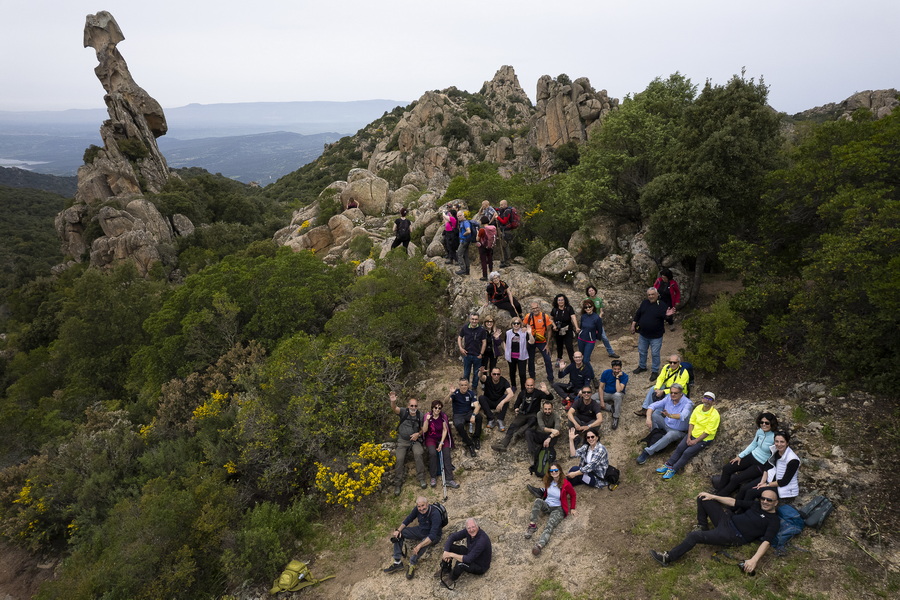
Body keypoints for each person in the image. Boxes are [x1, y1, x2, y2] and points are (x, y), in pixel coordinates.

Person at [650, 490, 781, 572]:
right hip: (727, 520)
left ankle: (668, 558)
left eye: (769, 500)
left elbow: (767, 542)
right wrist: (713, 496)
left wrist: (754, 560)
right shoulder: (756, 505)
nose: (764, 501)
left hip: (733, 535)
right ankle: (703, 526)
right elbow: (734, 502)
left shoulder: (774, 521)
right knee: (703, 498)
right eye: (763, 498)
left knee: (694, 536)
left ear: (776, 503)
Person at [656, 392, 720, 481]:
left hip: (704, 439)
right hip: (692, 434)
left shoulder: (715, 415)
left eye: (710, 399)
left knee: (687, 452)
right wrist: (689, 437)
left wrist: (695, 441)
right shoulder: (698, 408)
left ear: (713, 402)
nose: (707, 400)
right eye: (706, 397)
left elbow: (707, 432)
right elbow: (692, 422)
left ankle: (673, 469)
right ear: (702, 399)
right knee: (680, 447)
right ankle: (668, 464)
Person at [713, 413, 778, 496]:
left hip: (761, 464)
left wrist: (766, 470)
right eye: (762, 422)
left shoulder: (775, 437)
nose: (764, 424)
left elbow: (775, 456)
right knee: (727, 468)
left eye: (767, 423)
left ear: (772, 423)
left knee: (737, 479)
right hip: (752, 456)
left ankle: (720, 496)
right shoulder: (760, 431)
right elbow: (753, 444)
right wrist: (740, 456)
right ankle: (719, 490)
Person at [383, 496, 444, 579]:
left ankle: (412, 564)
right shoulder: (417, 509)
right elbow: (409, 519)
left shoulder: (435, 514)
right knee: (400, 533)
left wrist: (419, 545)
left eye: (423, 505)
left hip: (434, 536)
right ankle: (397, 562)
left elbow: (432, 536)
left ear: (427, 504)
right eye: (419, 506)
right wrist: (398, 530)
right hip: (421, 530)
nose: (421, 508)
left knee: (423, 544)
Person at [524, 462, 576, 555]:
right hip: (547, 505)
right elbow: (546, 493)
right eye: (551, 471)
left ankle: (540, 545)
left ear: (559, 471)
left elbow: (573, 495)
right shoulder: (548, 481)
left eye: (556, 470)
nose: (554, 472)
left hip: (558, 509)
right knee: (538, 501)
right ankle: (532, 526)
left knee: (549, 525)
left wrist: (572, 508)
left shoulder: (566, 484)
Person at [637, 383, 693, 464]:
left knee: (670, 435)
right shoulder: (668, 398)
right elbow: (652, 406)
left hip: (678, 431)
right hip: (666, 424)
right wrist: (648, 418)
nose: (673, 395)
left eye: (675, 393)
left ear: (681, 393)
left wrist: (670, 415)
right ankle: (655, 437)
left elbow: (683, 415)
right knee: (654, 415)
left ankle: (648, 451)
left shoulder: (688, 403)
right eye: (671, 392)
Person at [492, 378, 552, 452]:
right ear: (525, 385)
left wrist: (546, 391)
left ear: (534, 385)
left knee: (533, 420)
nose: (529, 387)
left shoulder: (538, 393)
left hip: (533, 414)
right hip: (522, 414)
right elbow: (516, 404)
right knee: (513, 425)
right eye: (528, 385)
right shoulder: (522, 393)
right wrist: (516, 408)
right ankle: (503, 444)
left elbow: (550, 398)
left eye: (531, 385)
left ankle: (518, 433)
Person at [739, 431, 800, 504]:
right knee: (744, 488)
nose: (779, 444)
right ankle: (734, 507)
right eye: (776, 441)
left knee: (751, 492)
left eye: (782, 442)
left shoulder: (793, 460)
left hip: (782, 488)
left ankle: (744, 510)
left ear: (787, 443)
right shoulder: (776, 450)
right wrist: (762, 481)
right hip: (770, 479)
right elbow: (768, 465)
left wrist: (766, 485)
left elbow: (784, 482)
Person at [631, 287, 676, 380]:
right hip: (643, 334)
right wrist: (633, 325)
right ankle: (642, 366)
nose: (651, 296)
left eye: (652, 294)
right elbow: (638, 314)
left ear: (657, 294)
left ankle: (655, 371)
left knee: (655, 354)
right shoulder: (644, 303)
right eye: (649, 295)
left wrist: (668, 316)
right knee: (642, 351)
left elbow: (667, 318)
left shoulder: (662, 305)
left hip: (656, 336)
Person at [389, 392, 426, 495]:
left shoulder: (420, 415)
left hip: (415, 440)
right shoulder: (403, 411)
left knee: (418, 453)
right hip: (402, 441)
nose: (413, 408)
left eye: (415, 406)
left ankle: (421, 478)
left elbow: (423, 429)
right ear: (408, 406)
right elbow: (394, 408)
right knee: (399, 458)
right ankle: (398, 483)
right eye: (412, 405)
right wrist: (393, 401)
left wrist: (418, 434)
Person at [439, 518, 492, 586]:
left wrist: (451, 555)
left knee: (460, 563)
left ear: (477, 526)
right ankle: (445, 569)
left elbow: (468, 559)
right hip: (471, 553)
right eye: (469, 528)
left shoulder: (482, 540)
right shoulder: (468, 531)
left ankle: (451, 578)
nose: (471, 530)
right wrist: (446, 551)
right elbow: (453, 537)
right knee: (450, 547)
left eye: (473, 527)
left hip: (479, 565)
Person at [422, 399, 460, 489]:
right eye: (435, 407)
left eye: (439, 408)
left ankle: (449, 479)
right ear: (432, 408)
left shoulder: (443, 416)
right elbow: (424, 430)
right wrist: (427, 420)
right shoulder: (427, 416)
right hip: (431, 438)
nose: (437, 410)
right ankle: (433, 477)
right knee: (432, 453)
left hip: (441, 438)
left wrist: (441, 443)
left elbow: (445, 430)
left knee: (446, 454)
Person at [449, 378, 482, 457]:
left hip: (468, 413)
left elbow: (477, 406)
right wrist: (450, 393)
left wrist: (473, 415)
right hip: (458, 415)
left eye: (465, 385)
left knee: (479, 417)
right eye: (462, 385)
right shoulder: (455, 393)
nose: (464, 387)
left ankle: (476, 438)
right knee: (459, 426)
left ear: (468, 385)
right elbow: (446, 402)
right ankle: (470, 444)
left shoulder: (470, 393)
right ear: (459, 386)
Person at [584, 285, 619, 358]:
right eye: (589, 291)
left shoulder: (599, 300)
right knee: (589, 338)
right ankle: (586, 355)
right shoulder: (586, 300)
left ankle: (611, 352)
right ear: (588, 292)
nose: (591, 292)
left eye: (592, 290)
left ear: (595, 291)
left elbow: (601, 311)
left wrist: (599, 318)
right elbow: (585, 311)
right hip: (589, 321)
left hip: (597, 321)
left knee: (604, 337)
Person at [523, 301, 555, 383]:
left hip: (541, 341)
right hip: (531, 340)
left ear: (539, 307)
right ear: (531, 309)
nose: (535, 310)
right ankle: (532, 376)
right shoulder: (528, 317)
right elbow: (523, 326)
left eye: (536, 307)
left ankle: (550, 378)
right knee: (530, 359)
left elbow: (549, 330)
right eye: (533, 308)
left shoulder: (545, 316)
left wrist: (547, 344)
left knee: (547, 358)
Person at [477, 366, 514, 431]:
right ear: (491, 374)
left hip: (498, 402)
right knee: (481, 398)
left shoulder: (504, 381)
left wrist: (502, 402)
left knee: (506, 397)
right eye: (494, 374)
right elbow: (481, 377)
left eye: (498, 374)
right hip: (489, 401)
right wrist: (480, 372)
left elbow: (511, 394)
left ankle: (500, 419)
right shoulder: (487, 379)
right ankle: (491, 419)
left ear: (500, 374)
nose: (496, 376)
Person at [457, 312, 486, 392]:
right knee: (466, 373)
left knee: (476, 374)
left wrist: (481, 354)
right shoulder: (465, 327)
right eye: (472, 319)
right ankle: (465, 388)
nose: (474, 321)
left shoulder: (482, 330)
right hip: (467, 354)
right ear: (470, 319)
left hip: (477, 355)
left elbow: (484, 342)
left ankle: (474, 388)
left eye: (476, 319)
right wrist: (461, 348)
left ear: (478, 320)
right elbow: (459, 337)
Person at [504, 317, 533, 392]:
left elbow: (532, 342)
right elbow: (505, 342)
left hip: (522, 356)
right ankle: (513, 386)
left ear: (520, 324)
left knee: (522, 374)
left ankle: (523, 388)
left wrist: (530, 333)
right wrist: (506, 351)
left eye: (518, 323)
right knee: (512, 372)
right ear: (512, 324)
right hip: (511, 357)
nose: (516, 325)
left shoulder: (524, 332)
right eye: (514, 323)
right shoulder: (508, 333)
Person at [598, 359, 628, 430]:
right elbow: (601, 387)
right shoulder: (606, 373)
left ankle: (616, 417)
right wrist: (602, 401)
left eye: (618, 369)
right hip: (607, 392)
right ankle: (610, 408)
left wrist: (617, 378)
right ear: (612, 368)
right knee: (591, 399)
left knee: (617, 395)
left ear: (621, 368)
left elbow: (619, 390)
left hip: (617, 394)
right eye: (615, 369)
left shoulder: (625, 376)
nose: (617, 371)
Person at [550, 293, 578, 364]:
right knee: (559, 346)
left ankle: (573, 361)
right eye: (559, 300)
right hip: (558, 330)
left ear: (565, 300)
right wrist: (554, 326)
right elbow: (551, 319)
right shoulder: (555, 310)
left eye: (562, 300)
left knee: (569, 346)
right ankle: (559, 359)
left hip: (567, 329)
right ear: (556, 301)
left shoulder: (569, 308)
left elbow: (573, 317)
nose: (561, 301)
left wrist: (576, 327)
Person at [576, 299, 604, 367]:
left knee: (586, 360)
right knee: (581, 358)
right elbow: (581, 327)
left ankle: (590, 373)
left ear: (593, 307)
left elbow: (599, 330)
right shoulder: (583, 316)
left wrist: (596, 338)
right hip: (581, 339)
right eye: (586, 307)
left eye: (589, 306)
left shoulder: (597, 318)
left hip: (590, 341)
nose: (588, 308)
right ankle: (582, 371)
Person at [476, 216, 496, 281]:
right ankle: (492, 274)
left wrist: (477, 233)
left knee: (483, 261)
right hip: (490, 246)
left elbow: (477, 239)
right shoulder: (493, 228)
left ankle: (485, 276)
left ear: (482, 222)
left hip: (483, 246)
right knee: (490, 259)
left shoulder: (482, 230)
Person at [495, 199, 514, 266]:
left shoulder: (507, 211)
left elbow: (504, 222)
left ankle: (507, 261)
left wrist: (497, 217)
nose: (500, 206)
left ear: (505, 205)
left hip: (506, 231)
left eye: (501, 205)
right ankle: (504, 260)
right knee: (503, 245)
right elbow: (497, 209)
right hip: (504, 230)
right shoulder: (504, 210)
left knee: (505, 245)